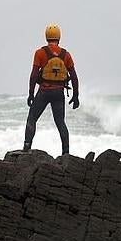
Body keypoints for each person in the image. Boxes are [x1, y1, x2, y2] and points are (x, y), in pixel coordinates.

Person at [23, 24, 80, 154]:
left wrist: (31, 94)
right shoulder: (66, 55)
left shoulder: (40, 53)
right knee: (60, 122)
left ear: (46, 36)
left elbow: (33, 75)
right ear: (59, 37)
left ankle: (26, 147)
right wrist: (75, 96)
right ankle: (66, 153)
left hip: (44, 91)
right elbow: (75, 77)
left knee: (32, 118)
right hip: (59, 93)